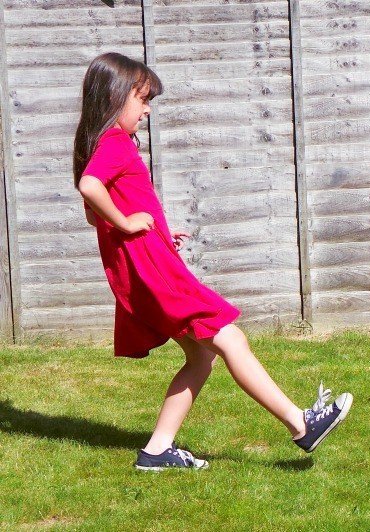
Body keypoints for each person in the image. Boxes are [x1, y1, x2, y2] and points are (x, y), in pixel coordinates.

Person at [73, 52, 352, 470]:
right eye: (144, 99)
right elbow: (90, 188)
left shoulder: (105, 144)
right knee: (231, 339)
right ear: (116, 97)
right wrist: (129, 225)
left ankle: (156, 452)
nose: (148, 110)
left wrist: (159, 234)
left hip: (150, 267)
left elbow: (96, 209)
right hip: (157, 274)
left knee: (201, 357)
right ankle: (301, 425)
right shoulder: (114, 143)